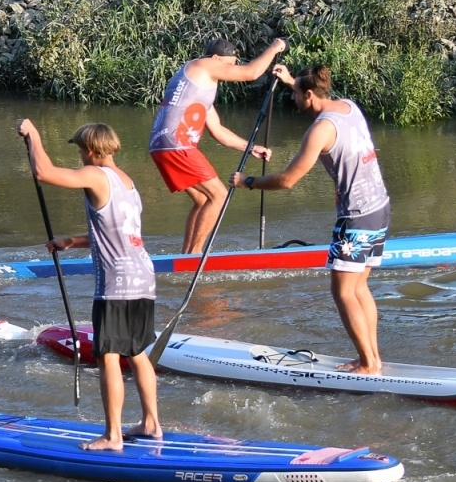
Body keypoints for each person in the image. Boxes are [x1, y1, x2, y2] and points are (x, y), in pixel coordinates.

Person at [233, 65, 390, 375]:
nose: (292, 99)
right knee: (359, 288)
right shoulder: (349, 106)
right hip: (380, 207)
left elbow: (288, 180)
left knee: (343, 291)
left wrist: (247, 181)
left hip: (356, 218)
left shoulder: (320, 129)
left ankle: (368, 364)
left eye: (294, 94)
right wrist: (291, 79)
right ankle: (372, 358)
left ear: (308, 95)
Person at [18, 118, 161, 451]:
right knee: (137, 352)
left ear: (94, 151)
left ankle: (113, 436)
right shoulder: (127, 182)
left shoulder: (96, 175)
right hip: (142, 276)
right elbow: (118, 232)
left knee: (108, 355)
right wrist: (73, 241)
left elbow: (45, 172)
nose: (80, 157)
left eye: (81, 150)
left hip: (117, 283)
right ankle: (151, 423)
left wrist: (34, 135)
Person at [150, 37, 287, 254]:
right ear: (215, 58)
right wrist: (274, 48)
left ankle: (185, 256)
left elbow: (218, 132)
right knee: (219, 196)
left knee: (204, 199)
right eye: (229, 64)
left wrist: (251, 147)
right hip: (177, 144)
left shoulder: (196, 85)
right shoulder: (203, 64)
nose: (229, 70)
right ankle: (194, 257)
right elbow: (251, 73)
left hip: (161, 146)